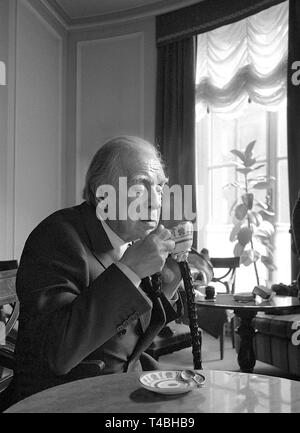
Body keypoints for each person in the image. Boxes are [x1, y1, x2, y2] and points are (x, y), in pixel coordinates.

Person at [8, 136, 183, 406]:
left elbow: (129, 336)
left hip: (125, 388)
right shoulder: (56, 236)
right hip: (65, 399)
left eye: (159, 187)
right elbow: (58, 353)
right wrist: (130, 270)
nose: (155, 202)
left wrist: (170, 278)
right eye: (140, 186)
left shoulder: (129, 241)